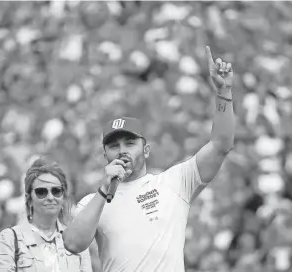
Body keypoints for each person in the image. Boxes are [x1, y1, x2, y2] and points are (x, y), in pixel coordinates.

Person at [62, 46, 236, 272]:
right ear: (104, 155)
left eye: (130, 143)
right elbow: (73, 244)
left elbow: (221, 145)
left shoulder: (174, 183)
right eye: (114, 146)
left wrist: (224, 93)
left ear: (146, 150)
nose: (122, 150)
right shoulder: (92, 202)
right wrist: (104, 190)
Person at [0, 157, 92, 272]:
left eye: (56, 191)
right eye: (41, 192)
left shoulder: (77, 240)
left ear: (63, 196)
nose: (50, 197)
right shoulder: (9, 238)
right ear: (29, 199)